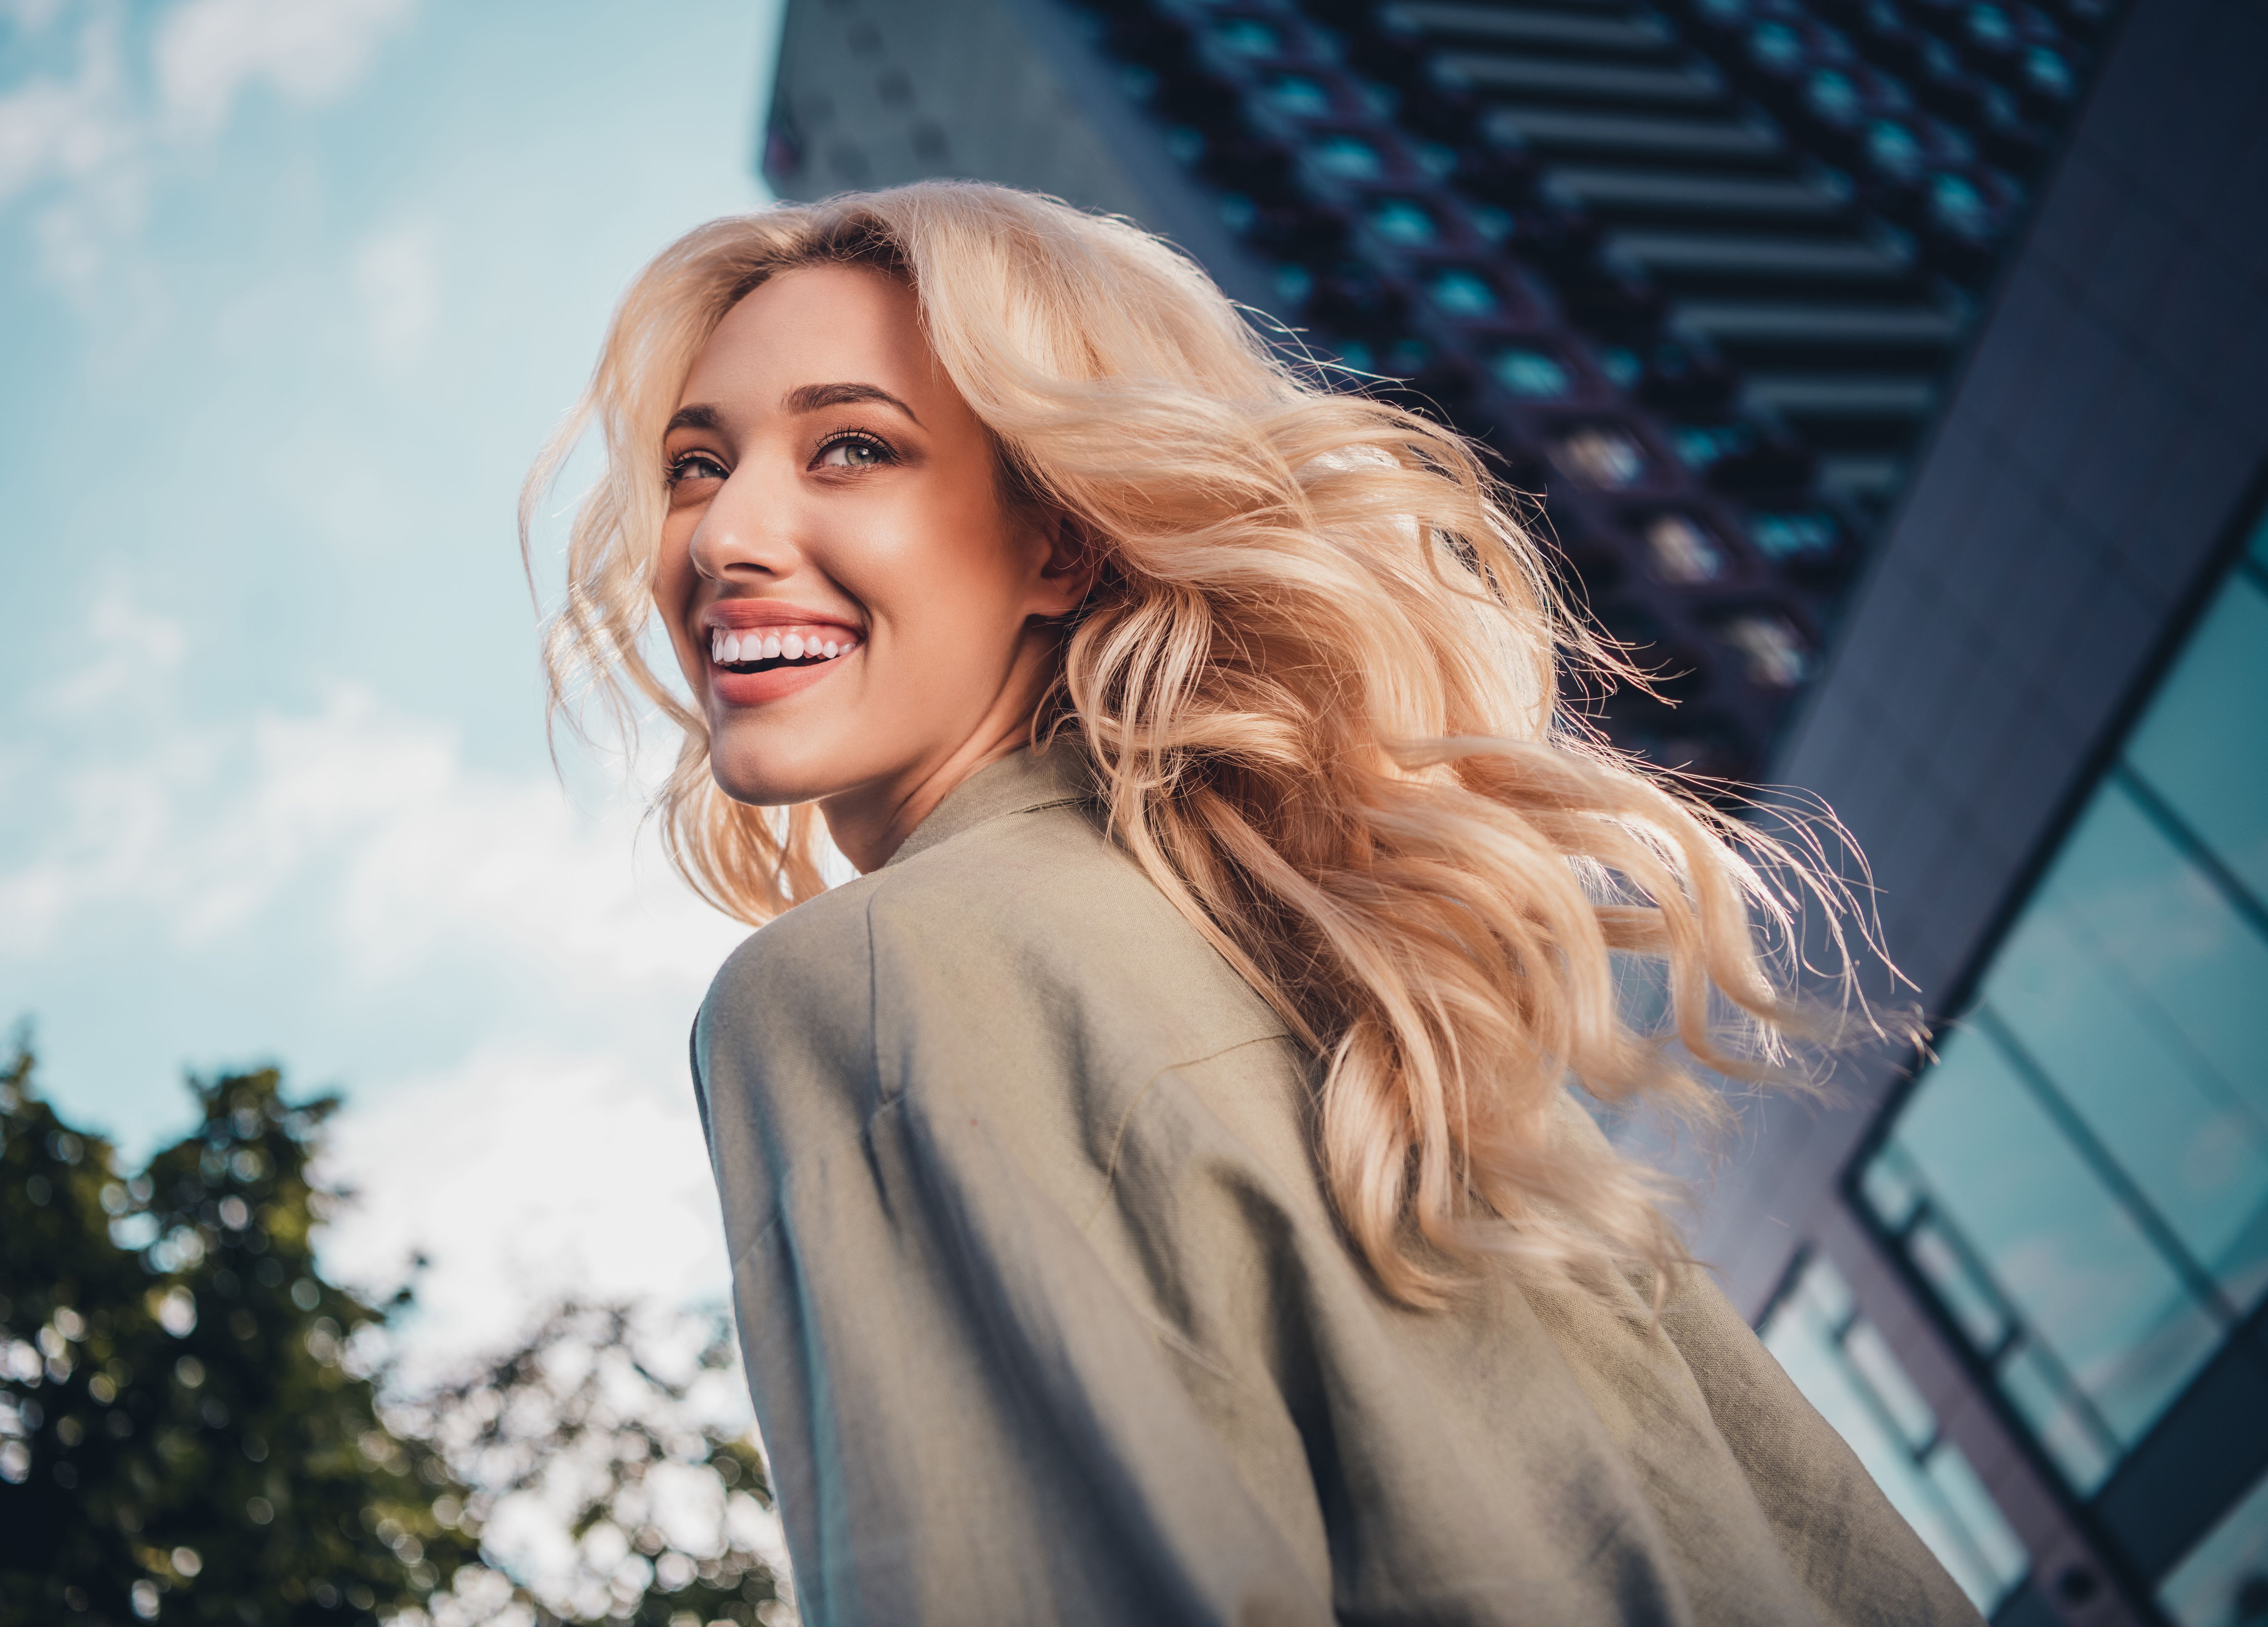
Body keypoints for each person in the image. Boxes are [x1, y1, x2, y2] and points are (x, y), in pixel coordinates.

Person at [527, 180, 1978, 1626]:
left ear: (1063, 538)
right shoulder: (1385, 1026)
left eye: (853, 448)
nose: (722, 539)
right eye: (697, 465)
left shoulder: (867, 978)